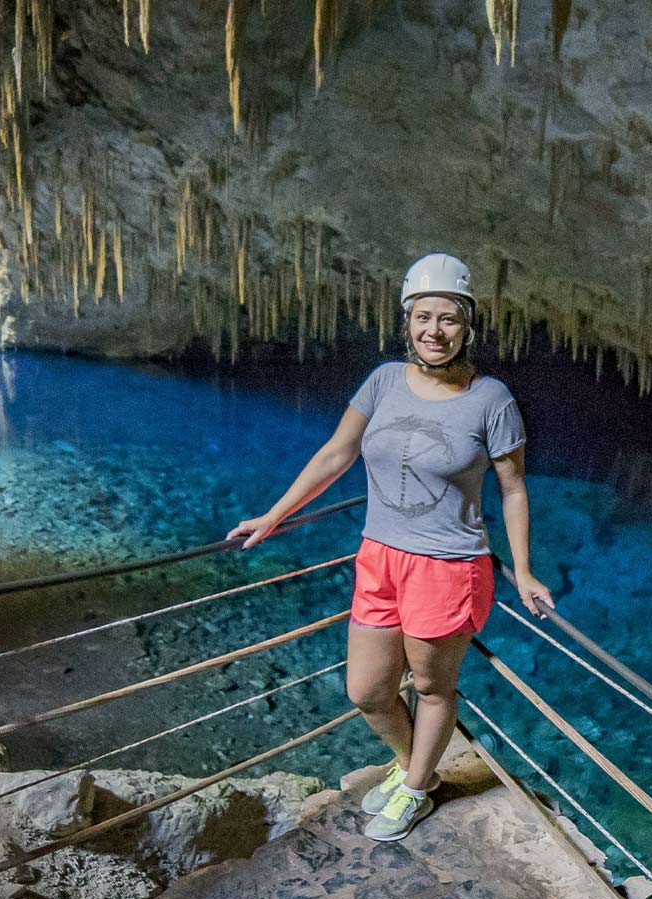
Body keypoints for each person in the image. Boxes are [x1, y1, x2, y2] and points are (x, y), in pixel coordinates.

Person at [225, 252, 552, 842]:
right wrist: (274, 516)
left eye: (448, 318)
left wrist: (524, 570)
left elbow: (513, 487)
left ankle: (418, 789)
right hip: (378, 557)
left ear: (467, 325)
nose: (434, 330)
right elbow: (335, 455)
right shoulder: (381, 382)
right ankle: (413, 770)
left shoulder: (491, 399)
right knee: (368, 691)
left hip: (449, 566)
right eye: (423, 316)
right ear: (406, 321)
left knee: (431, 687)